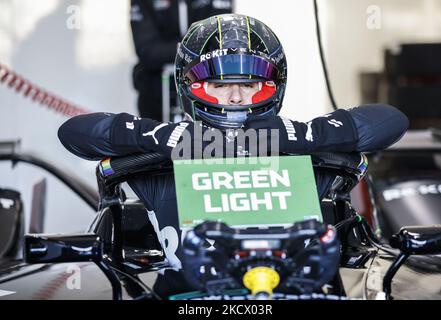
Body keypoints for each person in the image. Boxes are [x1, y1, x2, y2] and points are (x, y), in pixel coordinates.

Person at [58, 14, 409, 298]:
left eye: (249, 83)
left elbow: (392, 120)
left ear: (272, 85)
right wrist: (168, 137)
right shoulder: (165, 157)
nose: (236, 97)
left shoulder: (303, 151)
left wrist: (300, 135)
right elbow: (74, 132)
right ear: (190, 86)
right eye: (220, 85)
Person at [130, 0, 232, 120]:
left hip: (206, 80)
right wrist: (197, 44)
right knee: (149, 85)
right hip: (157, 87)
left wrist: (176, 47)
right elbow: (147, 52)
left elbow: (220, 41)